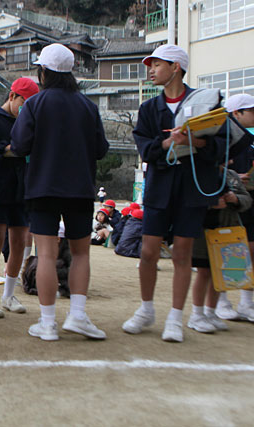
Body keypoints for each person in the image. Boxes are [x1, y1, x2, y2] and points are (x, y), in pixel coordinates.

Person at [123, 44, 228, 343]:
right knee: (148, 251)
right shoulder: (148, 109)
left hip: (192, 188)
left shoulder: (207, 103)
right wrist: (168, 143)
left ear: (176, 67)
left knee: (183, 252)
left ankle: (175, 318)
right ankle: (146, 309)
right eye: (150, 65)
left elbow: (222, 145)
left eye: (157, 64)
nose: (151, 70)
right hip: (159, 187)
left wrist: (197, 142)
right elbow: (145, 148)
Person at [11, 43, 109, 341]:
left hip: (43, 187)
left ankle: (48, 323)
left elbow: (19, 146)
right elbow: (101, 149)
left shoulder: (34, 104)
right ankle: (77, 315)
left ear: (44, 71)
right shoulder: (88, 106)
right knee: (80, 253)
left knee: (46, 254)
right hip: (79, 188)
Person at [0, 77, 39, 319]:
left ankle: (9, 295)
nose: (26, 110)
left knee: (19, 242)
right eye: (24, 103)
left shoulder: (30, 121)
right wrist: (15, 150)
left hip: (22, 188)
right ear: (12, 96)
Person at [189, 165, 251, 333]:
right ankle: (197, 314)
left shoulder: (231, 175)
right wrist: (211, 203)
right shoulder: (198, 173)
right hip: (203, 230)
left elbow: (246, 199)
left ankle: (211, 312)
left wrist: (235, 199)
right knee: (203, 272)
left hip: (227, 229)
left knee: (221, 272)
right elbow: (190, 199)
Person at [217, 93, 254, 321]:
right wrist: (235, 177)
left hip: (248, 199)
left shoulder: (250, 140)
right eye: (251, 110)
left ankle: (247, 303)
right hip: (229, 200)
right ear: (236, 113)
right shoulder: (224, 139)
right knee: (227, 249)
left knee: (251, 249)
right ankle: (221, 301)